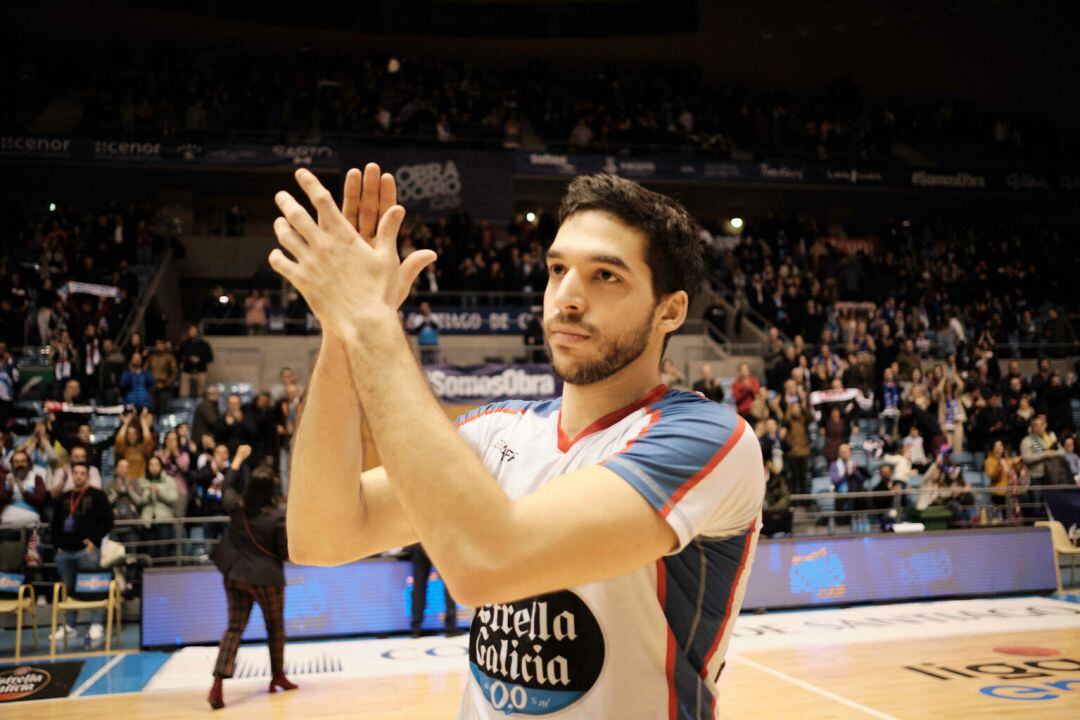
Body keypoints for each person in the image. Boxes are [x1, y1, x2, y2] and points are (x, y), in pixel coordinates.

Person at [274, 166, 764, 718]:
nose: (567, 298)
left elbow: (487, 564)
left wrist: (370, 320)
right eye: (559, 269)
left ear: (670, 310)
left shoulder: (709, 439)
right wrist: (341, 329)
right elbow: (322, 534)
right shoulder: (495, 428)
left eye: (606, 276)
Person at [208, 445, 295, 710]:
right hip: (267, 579)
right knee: (275, 628)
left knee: (234, 629)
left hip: (235, 575)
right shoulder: (277, 518)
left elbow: (226, 487)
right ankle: (277, 676)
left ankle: (217, 685)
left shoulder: (237, 507)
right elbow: (283, 553)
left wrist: (237, 460)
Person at [50, 461, 113, 647]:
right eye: (75, 473)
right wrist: (57, 545)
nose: (78, 476)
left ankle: (96, 624)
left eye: (82, 473)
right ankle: (69, 625)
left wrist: (95, 540)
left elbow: (108, 520)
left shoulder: (97, 495)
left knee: (91, 587)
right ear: (71, 475)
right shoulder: (64, 498)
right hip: (65, 552)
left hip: (87, 551)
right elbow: (54, 523)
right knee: (68, 589)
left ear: (87, 475)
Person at [408, 543, 460, 637]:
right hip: (439, 544)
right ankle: (451, 627)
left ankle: (416, 628)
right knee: (449, 585)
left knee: (419, 586)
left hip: (419, 544)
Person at [179, 324, 214, 398]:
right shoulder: (184, 344)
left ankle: (200, 406)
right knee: (183, 393)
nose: (192, 332)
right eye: (190, 331)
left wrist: (199, 359)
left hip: (201, 370)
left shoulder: (204, 344)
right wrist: (188, 359)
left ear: (197, 332)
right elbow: (179, 357)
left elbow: (210, 358)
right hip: (187, 370)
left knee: (201, 393)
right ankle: (184, 406)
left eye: (194, 331)